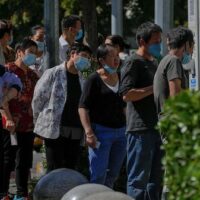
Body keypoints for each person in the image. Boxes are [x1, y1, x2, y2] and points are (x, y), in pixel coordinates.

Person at [119, 22, 163, 200]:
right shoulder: (133, 62)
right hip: (140, 130)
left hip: (157, 127)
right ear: (142, 41)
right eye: (155, 41)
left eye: (160, 41)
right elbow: (126, 94)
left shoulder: (155, 62)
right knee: (138, 180)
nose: (158, 45)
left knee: (155, 180)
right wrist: (153, 88)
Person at [32, 43, 92, 172]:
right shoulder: (53, 73)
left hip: (75, 130)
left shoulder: (84, 79)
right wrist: (38, 122)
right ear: (72, 54)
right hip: (54, 128)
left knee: (71, 169)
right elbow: (38, 98)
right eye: (84, 56)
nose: (86, 60)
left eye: (88, 57)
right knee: (54, 168)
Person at [79, 44, 127, 188]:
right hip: (100, 133)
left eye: (117, 56)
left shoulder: (122, 77)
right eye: (112, 56)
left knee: (113, 174)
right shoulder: (93, 80)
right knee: (98, 175)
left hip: (121, 133)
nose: (116, 60)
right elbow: (83, 108)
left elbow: (125, 105)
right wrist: (89, 132)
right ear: (102, 60)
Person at [2, 38, 39, 200]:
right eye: (30, 53)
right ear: (19, 52)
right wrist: (7, 118)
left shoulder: (32, 75)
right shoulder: (7, 71)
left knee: (24, 160)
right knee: (7, 159)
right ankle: (3, 193)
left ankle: (21, 193)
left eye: (35, 54)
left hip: (27, 124)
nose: (33, 57)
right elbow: (1, 99)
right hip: (8, 123)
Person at [153, 27, 194, 118]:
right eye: (192, 45)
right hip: (172, 120)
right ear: (187, 44)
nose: (192, 51)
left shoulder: (167, 59)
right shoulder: (173, 61)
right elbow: (175, 95)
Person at [0, 64, 22, 200]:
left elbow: (17, 83)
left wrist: (5, 98)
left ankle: (3, 193)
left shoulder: (2, 71)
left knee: (5, 158)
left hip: (3, 120)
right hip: (4, 116)